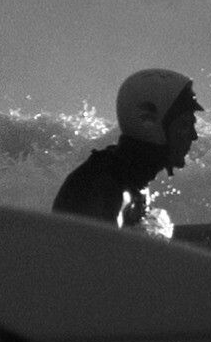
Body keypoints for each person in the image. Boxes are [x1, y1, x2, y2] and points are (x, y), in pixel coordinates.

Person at [52, 68, 201, 231]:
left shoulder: (129, 178)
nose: (193, 136)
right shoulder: (104, 190)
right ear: (149, 124)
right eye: (184, 125)